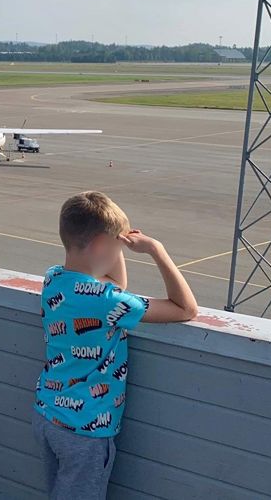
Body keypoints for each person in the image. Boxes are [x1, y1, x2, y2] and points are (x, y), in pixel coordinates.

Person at [33, 191, 198, 499]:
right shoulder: (107, 302)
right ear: (99, 245)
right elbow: (185, 309)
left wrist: (114, 243)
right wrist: (157, 251)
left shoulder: (53, 278)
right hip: (86, 431)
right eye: (115, 244)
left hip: (48, 414)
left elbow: (115, 283)